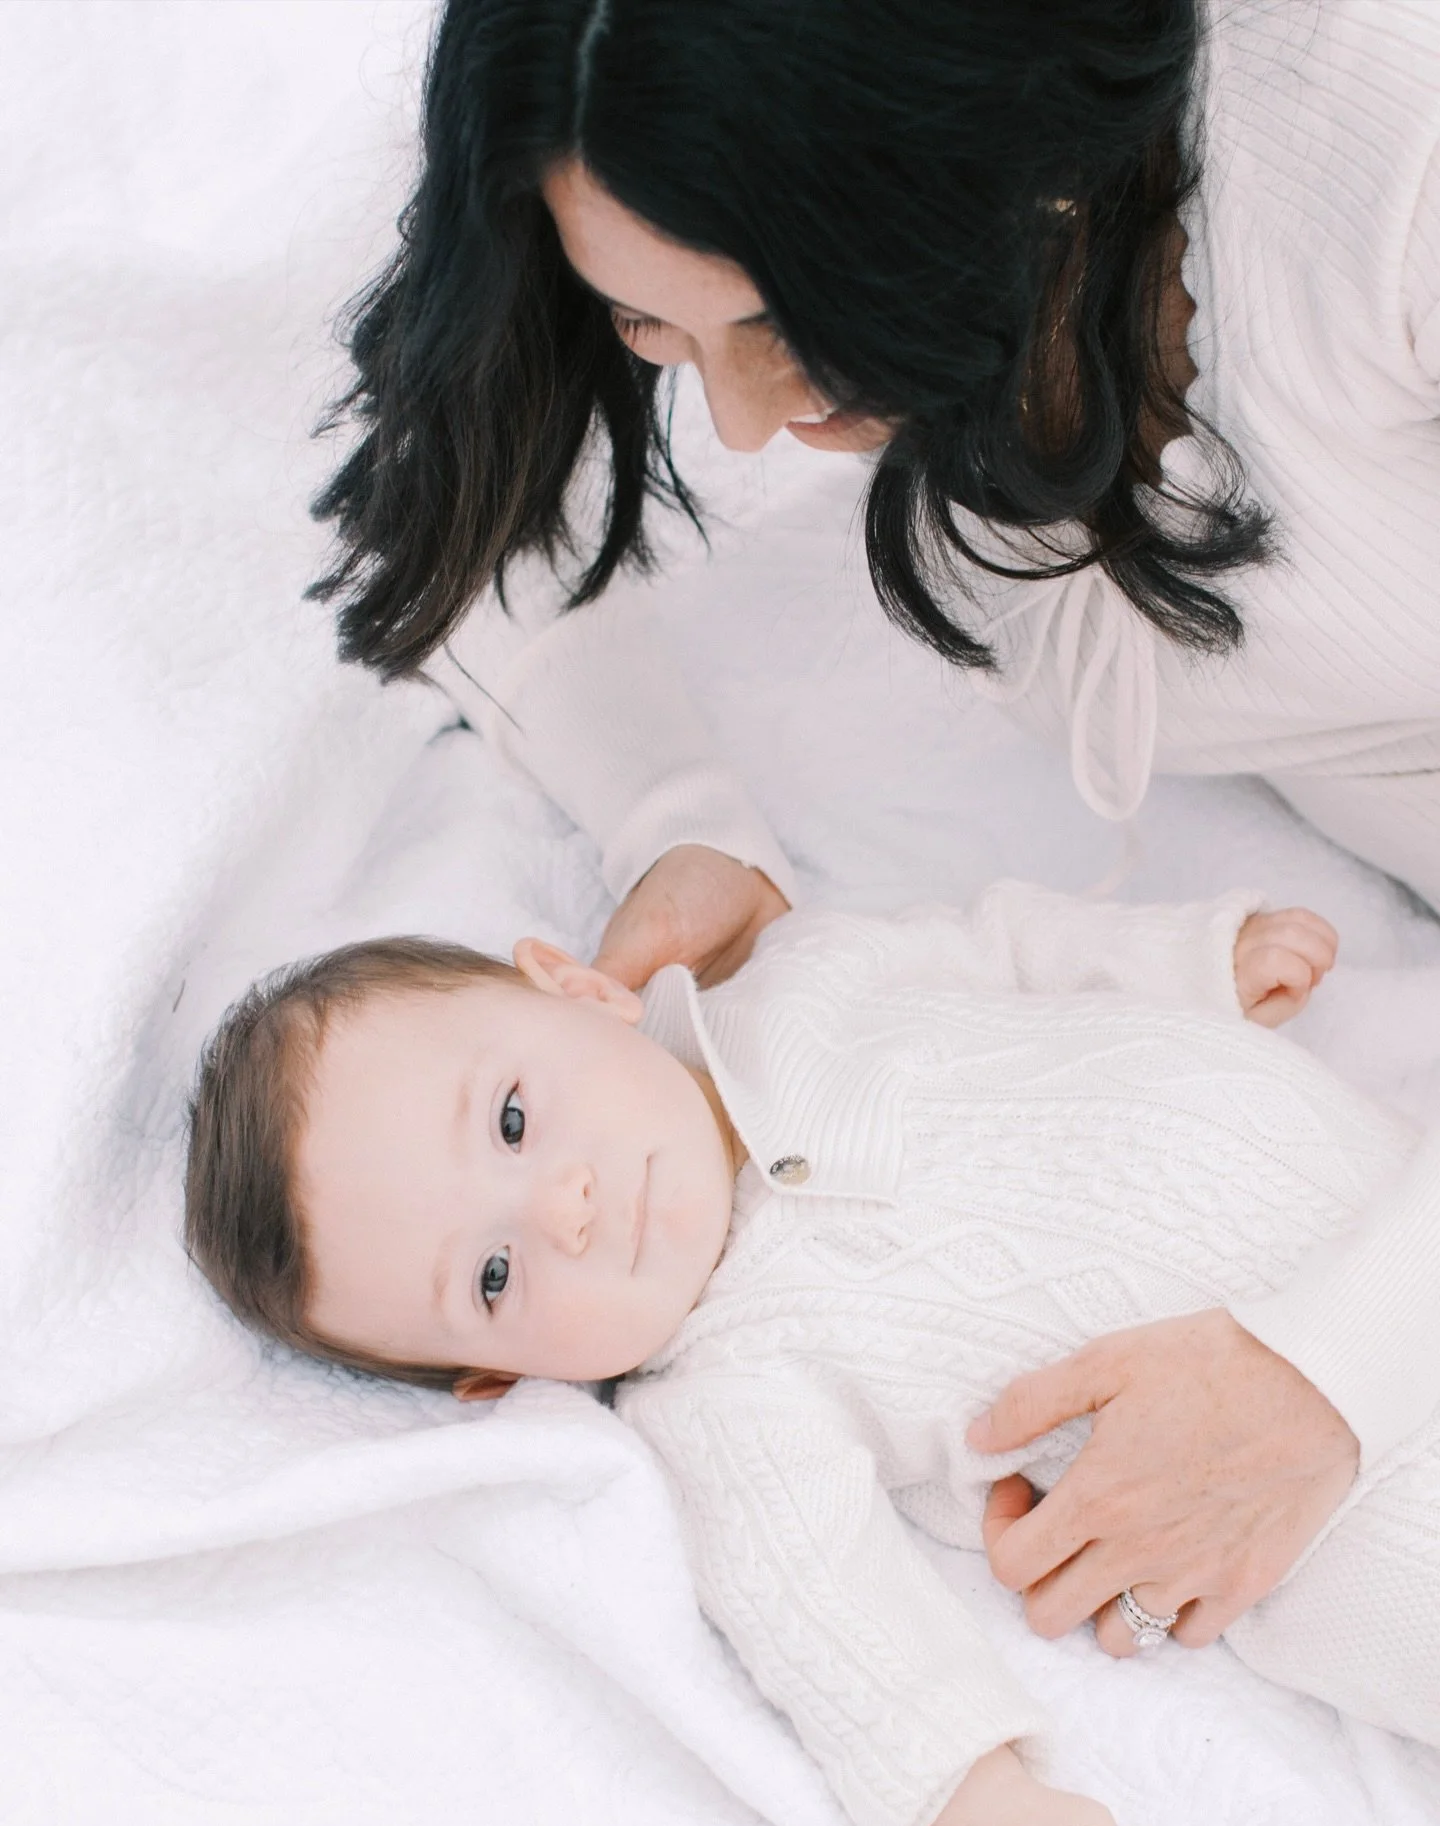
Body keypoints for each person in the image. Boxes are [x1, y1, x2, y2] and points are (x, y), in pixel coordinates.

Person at [306, 2, 1440, 1662]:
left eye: (780, 319)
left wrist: (1331, 1368)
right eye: (652, 327)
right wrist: (685, 824)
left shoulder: (1388, 154)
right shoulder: (934, 286)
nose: (741, 423)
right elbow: (467, 504)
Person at [183, 882, 1439, 1826]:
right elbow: (829, 1609)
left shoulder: (813, 974)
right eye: (494, 1275)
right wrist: (986, 1806)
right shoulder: (723, 1396)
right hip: (1355, 1537)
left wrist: (1189, 960)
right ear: (502, 1376)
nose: (562, 1205)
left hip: (1395, 1212)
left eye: (513, 1118)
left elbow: (1006, 944)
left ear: (575, 987)